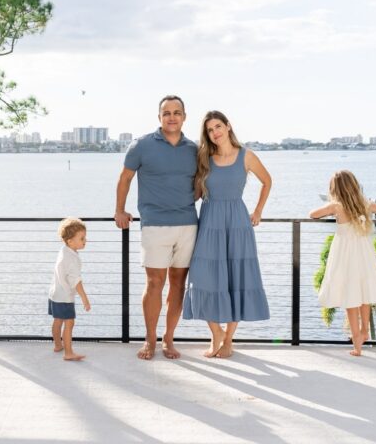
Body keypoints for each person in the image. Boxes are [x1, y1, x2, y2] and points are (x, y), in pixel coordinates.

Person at [182, 110, 272, 359]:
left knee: (237, 279)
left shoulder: (246, 156)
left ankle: (228, 339)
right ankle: (216, 333)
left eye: (218, 126)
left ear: (228, 126)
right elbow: (197, 193)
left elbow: (267, 181)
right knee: (202, 278)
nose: (215, 133)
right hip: (209, 222)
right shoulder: (204, 158)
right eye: (210, 130)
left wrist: (258, 211)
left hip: (238, 223)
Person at [115, 95, 198, 360]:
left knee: (178, 285)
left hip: (188, 224)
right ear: (159, 117)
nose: (171, 117)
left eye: (177, 112)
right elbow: (125, 178)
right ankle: (150, 340)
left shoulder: (194, 149)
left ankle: (168, 339)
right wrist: (119, 210)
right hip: (154, 225)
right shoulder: (141, 145)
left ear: (184, 116)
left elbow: (200, 183)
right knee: (154, 283)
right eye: (166, 113)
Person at [309, 170, 376, 356]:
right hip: (364, 252)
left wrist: (330, 204)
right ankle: (365, 330)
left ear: (335, 189)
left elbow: (312, 214)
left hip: (346, 254)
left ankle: (356, 343)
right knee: (363, 291)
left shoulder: (336, 206)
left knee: (350, 294)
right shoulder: (363, 204)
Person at [48, 217, 92, 361]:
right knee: (69, 323)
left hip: (55, 293)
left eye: (84, 237)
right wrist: (84, 298)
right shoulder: (72, 259)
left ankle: (57, 345)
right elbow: (76, 281)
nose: (85, 240)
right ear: (70, 241)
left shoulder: (64, 251)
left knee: (57, 320)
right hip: (65, 296)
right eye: (82, 238)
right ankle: (68, 353)